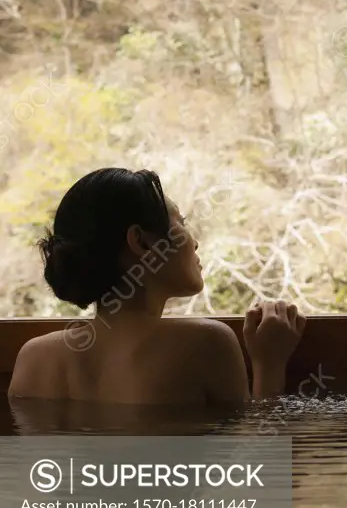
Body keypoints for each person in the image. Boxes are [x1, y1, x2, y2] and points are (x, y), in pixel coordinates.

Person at [7, 167, 306, 405]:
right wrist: (269, 363)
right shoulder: (205, 343)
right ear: (141, 242)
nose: (195, 241)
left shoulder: (34, 358)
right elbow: (256, 469)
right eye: (181, 223)